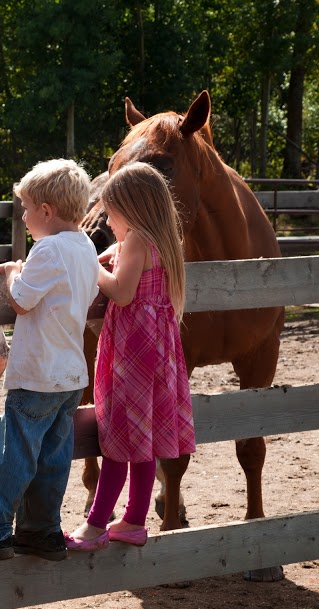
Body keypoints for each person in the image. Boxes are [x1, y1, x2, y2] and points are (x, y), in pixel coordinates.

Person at [0, 159, 100, 565]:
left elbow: (21, 299)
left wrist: (13, 270)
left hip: (37, 377)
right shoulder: (85, 246)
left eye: (26, 209)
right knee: (53, 460)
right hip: (70, 377)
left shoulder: (47, 249)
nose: (24, 217)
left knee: (10, 457)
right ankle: (40, 531)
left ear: (47, 211)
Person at [65, 161, 196, 551]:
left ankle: (96, 524)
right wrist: (106, 255)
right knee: (143, 440)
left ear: (133, 208)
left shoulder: (137, 239)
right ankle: (134, 520)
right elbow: (119, 255)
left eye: (111, 212)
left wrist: (90, 265)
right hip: (155, 356)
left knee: (119, 440)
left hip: (133, 357)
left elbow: (121, 292)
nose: (107, 220)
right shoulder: (160, 240)